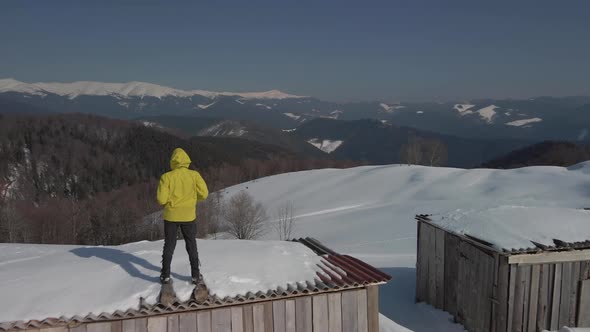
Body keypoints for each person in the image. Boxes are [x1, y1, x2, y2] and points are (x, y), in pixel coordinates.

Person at [157, 147, 209, 288]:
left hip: (171, 216)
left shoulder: (166, 177)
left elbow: (161, 200)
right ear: (187, 161)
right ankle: (195, 275)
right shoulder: (194, 175)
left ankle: (165, 275)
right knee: (191, 244)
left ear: (173, 161)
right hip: (188, 216)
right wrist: (192, 198)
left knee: (169, 245)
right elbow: (204, 194)